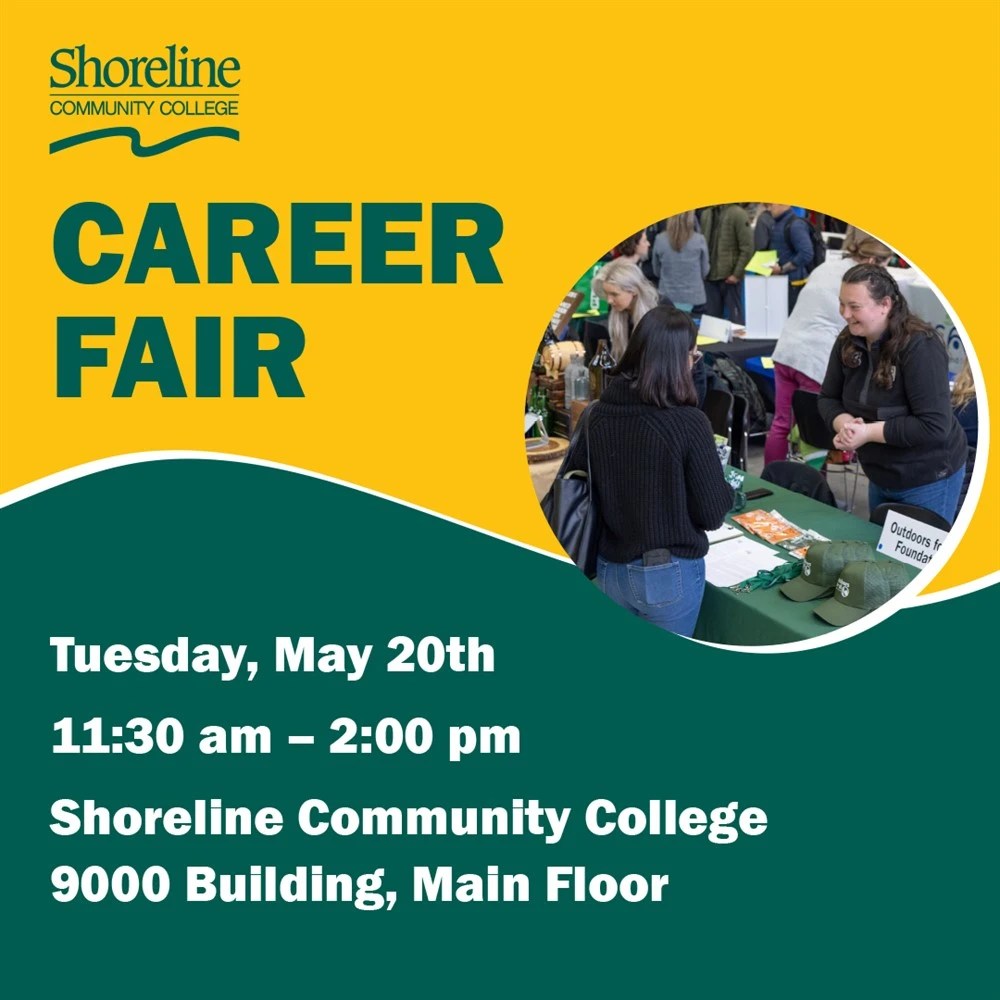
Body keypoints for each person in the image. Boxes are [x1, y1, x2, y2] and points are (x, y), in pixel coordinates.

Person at [563, 307, 733, 636]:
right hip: (666, 573)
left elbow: (584, 485)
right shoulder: (688, 422)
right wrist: (725, 492)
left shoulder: (597, 414)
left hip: (609, 568)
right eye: (694, 356)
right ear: (679, 359)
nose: (693, 363)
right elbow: (712, 514)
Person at [818, 264, 968, 524]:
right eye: (842, 304)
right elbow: (827, 398)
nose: (845, 314)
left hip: (927, 477)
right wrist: (846, 426)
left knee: (917, 561)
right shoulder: (848, 340)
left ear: (885, 304)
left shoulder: (921, 346)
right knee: (882, 549)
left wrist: (867, 433)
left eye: (854, 307)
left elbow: (933, 425)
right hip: (879, 473)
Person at [764, 232, 893, 465]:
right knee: (817, 433)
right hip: (814, 359)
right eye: (886, 264)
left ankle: (772, 481)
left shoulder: (826, 267)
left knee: (781, 423)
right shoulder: (864, 283)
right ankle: (814, 490)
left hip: (786, 350)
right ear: (874, 261)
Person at [590, 258, 659, 360]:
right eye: (607, 293)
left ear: (634, 290)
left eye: (614, 294)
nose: (609, 300)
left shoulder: (660, 310)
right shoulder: (617, 308)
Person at [700, 203, 754, 324]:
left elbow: (747, 247)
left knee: (735, 322)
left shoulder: (738, 214)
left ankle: (738, 343)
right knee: (712, 323)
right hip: (710, 277)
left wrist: (737, 274)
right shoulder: (706, 214)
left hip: (729, 278)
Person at [650, 212, 709, 312]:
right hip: (695, 298)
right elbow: (705, 271)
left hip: (667, 298)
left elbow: (656, 271)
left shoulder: (659, 239)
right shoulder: (700, 240)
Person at [766, 203, 814, 310]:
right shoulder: (778, 223)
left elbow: (806, 253)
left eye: (771, 205)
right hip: (782, 282)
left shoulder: (796, 225)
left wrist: (782, 269)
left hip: (794, 285)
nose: (769, 209)